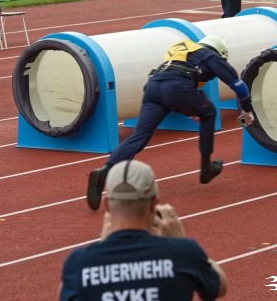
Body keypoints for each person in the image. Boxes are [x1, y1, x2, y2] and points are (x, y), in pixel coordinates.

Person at [86, 35, 254, 210]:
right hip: (177, 87)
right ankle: (206, 168)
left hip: (153, 87)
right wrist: (247, 109)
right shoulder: (211, 56)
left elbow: (178, 82)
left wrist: (191, 108)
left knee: (139, 136)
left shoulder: (186, 52)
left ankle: (104, 171)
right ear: (219, 53)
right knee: (210, 112)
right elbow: (238, 86)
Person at [63, 160, 228, 300]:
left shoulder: (79, 262)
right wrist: (179, 241)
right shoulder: (184, 253)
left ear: (107, 205)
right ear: (154, 203)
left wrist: (103, 244)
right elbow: (218, 288)